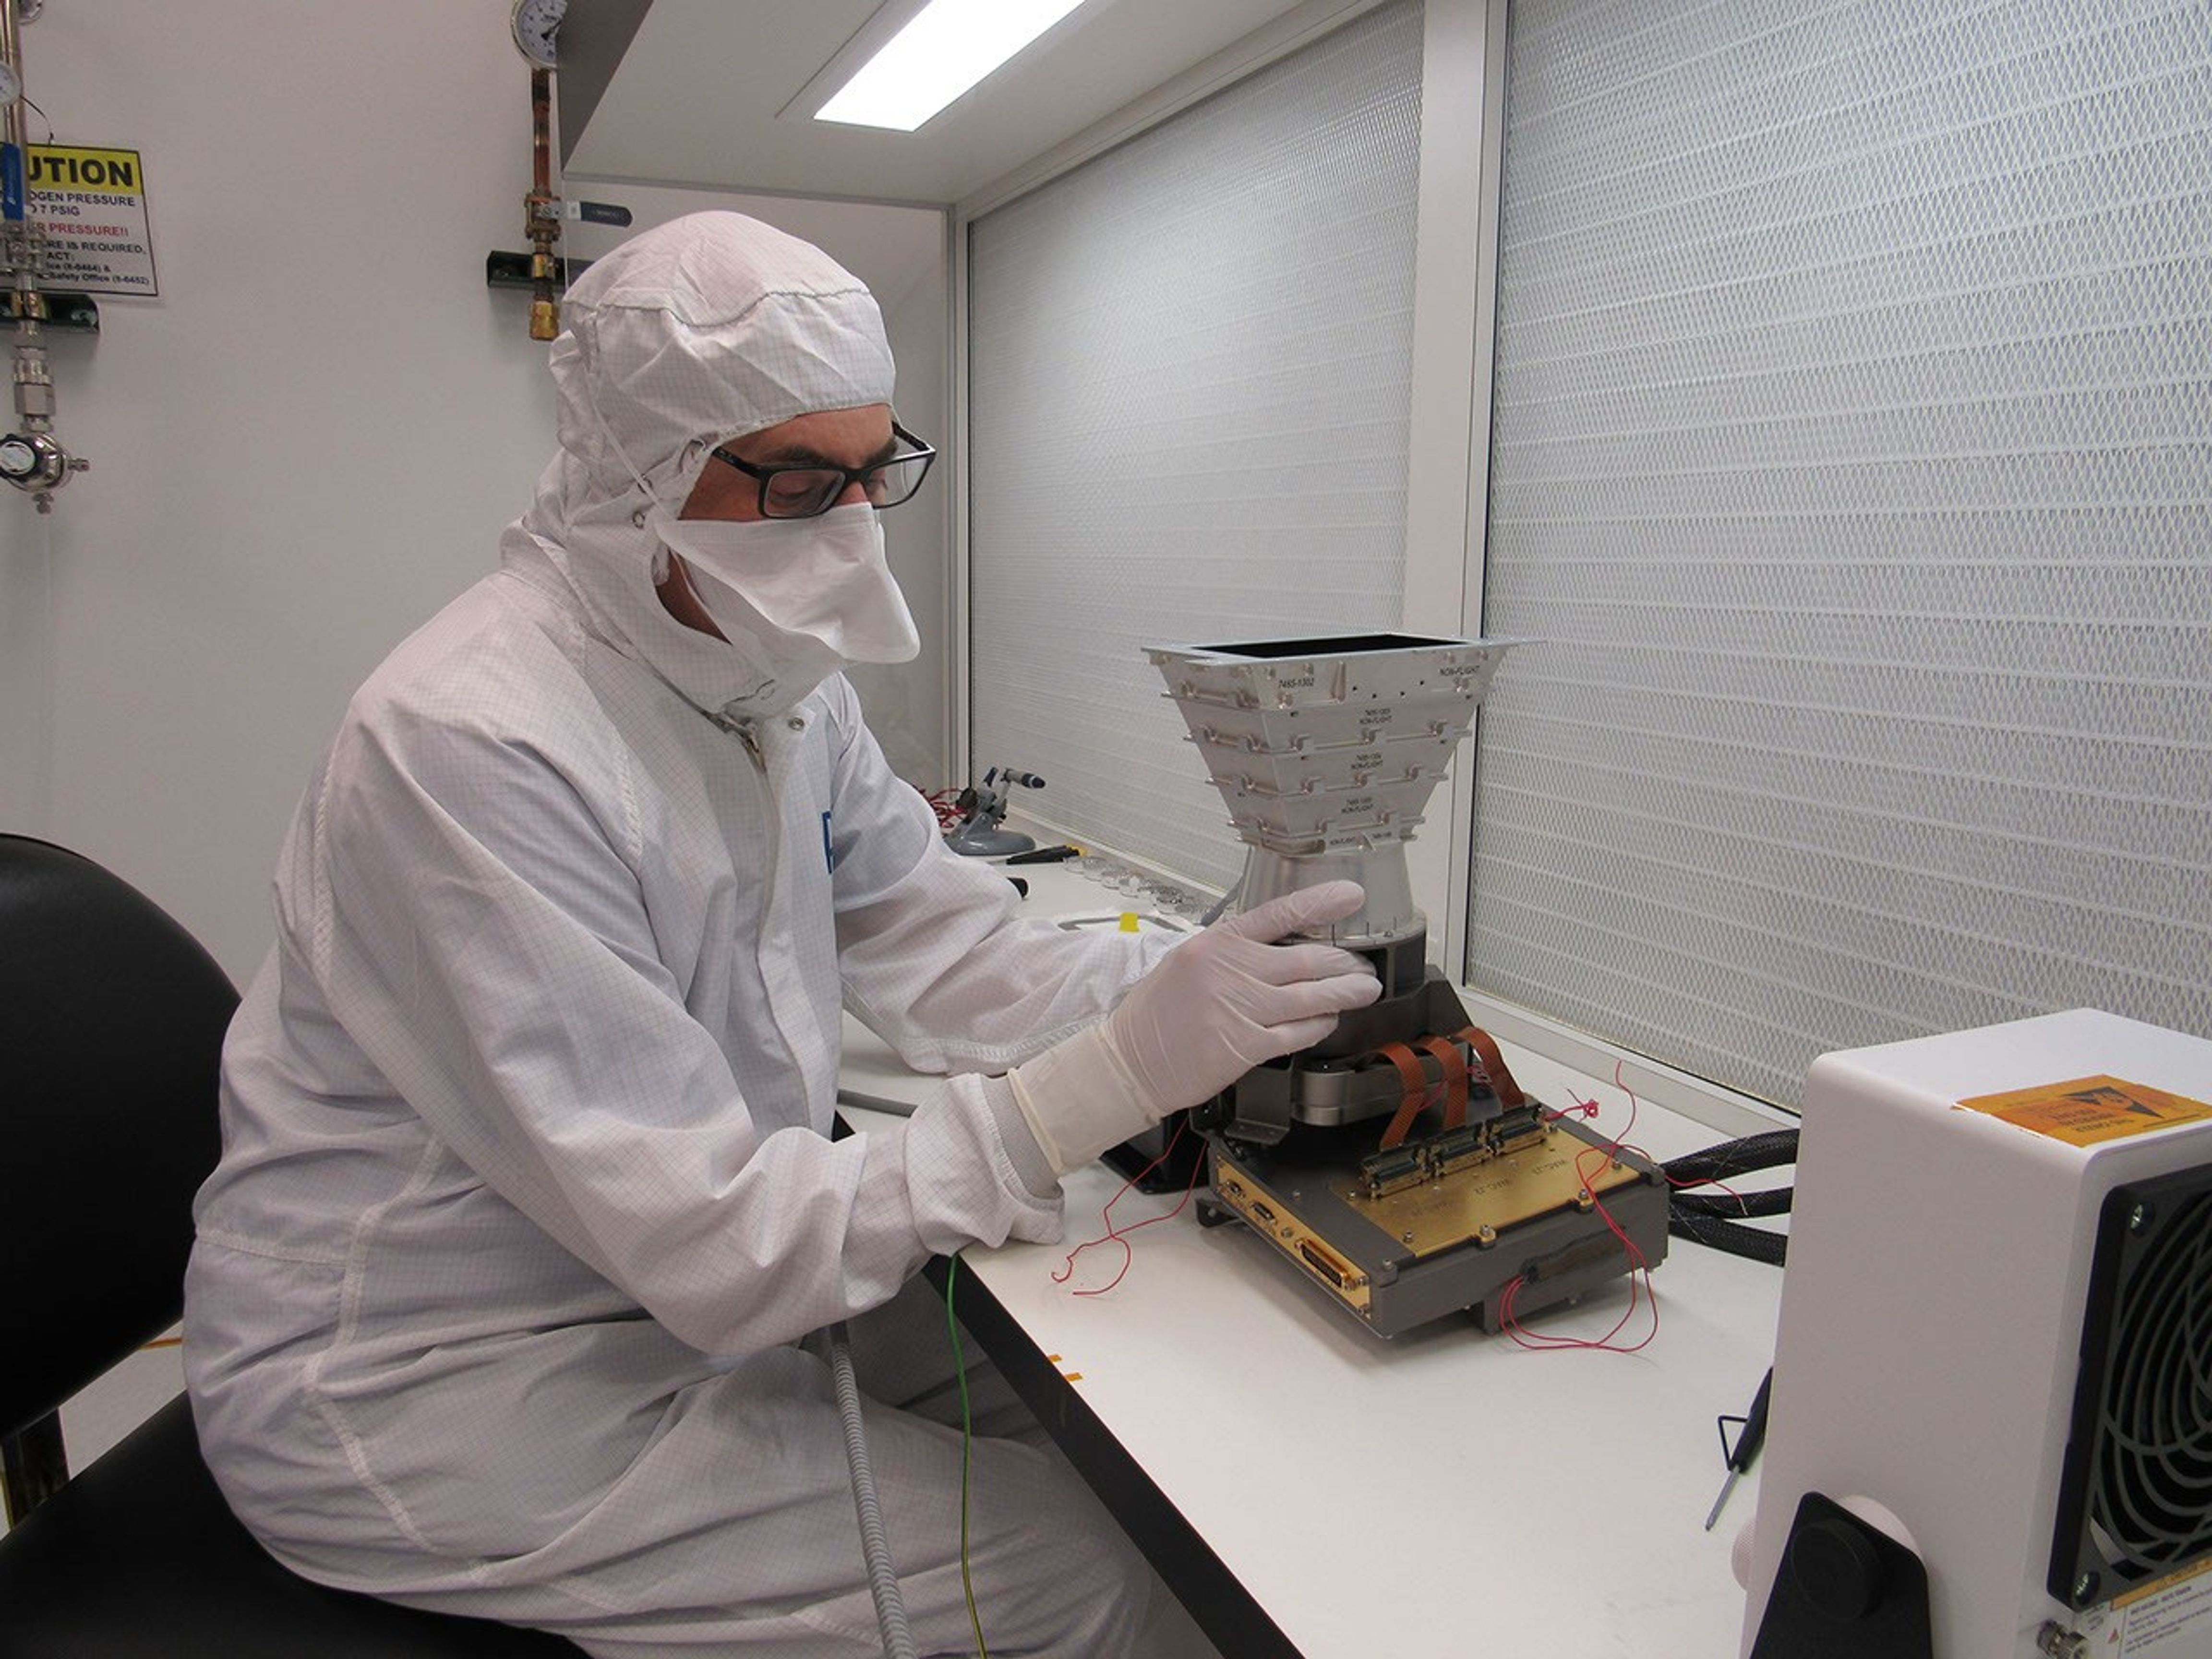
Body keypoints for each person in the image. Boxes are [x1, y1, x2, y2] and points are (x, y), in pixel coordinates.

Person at [183, 211, 1380, 1659]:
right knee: (1083, 1575)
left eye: (876, 472)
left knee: (1157, 1452)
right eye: (802, 482)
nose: (854, 530)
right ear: (643, 471)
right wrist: (1103, 1081)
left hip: (681, 1291)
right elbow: (709, 1238)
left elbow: (953, 959)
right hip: (448, 1376)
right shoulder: (472, 745)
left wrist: (1197, 984)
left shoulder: (771, 687)